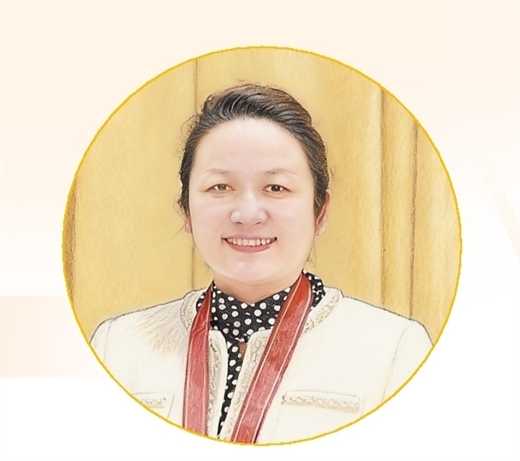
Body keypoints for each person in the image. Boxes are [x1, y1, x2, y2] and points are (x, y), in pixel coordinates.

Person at [91, 83, 432, 444]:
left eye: (276, 188)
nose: (248, 214)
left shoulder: (395, 350)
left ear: (320, 211)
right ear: (187, 211)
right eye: (220, 187)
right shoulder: (116, 347)